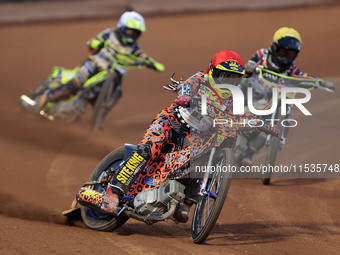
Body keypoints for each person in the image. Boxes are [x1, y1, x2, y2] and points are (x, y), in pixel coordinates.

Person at [76, 50, 277, 222]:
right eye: (224, 77)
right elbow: (187, 86)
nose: (228, 83)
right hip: (172, 122)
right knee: (148, 150)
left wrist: (264, 124)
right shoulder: (201, 79)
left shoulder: (234, 99)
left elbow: (244, 115)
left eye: (234, 78)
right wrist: (185, 96)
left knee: (209, 155)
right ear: (212, 72)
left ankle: (186, 202)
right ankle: (113, 192)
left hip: (195, 137)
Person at [21, 11, 164, 111]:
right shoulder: (110, 33)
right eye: (129, 30)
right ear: (121, 27)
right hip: (95, 64)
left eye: (135, 32)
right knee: (78, 80)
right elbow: (93, 41)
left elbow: (141, 55)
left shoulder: (133, 47)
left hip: (113, 72)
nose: (131, 34)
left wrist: (151, 63)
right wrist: (96, 43)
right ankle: (45, 98)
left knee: (118, 93)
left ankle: (98, 116)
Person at [238, 27, 334, 166]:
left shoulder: (291, 69)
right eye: (283, 52)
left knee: (269, 125)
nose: (285, 57)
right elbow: (249, 65)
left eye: (289, 54)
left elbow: (303, 77)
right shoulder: (262, 55)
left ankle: (248, 154)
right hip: (249, 94)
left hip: (267, 103)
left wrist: (321, 83)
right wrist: (249, 68)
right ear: (274, 47)